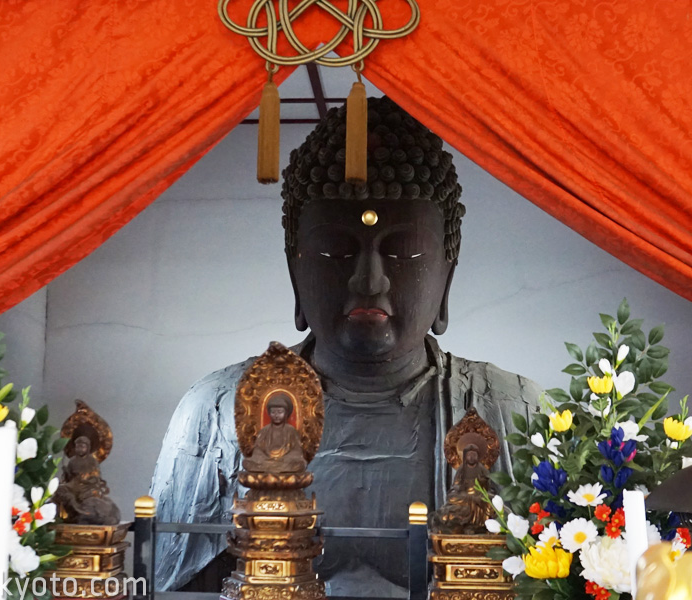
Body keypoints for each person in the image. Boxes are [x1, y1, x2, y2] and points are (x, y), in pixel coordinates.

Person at [150, 96, 542, 596]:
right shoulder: (217, 409)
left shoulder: (513, 412)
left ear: (448, 271)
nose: (369, 281)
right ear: (296, 268)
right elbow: (167, 586)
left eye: (404, 252)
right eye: (335, 251)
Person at [430, 443, 494, 534]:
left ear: (478, 456)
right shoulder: (462, 468)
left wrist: (483, 481)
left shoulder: (481, 468)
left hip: (478, 492)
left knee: (488, 500)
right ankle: (462, 523)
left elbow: (488, 482)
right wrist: (460, 487)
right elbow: (456, 483)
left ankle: (479, 525)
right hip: (464, 493)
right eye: (469, 455)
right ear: (465, 456)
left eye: (474, 455)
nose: (471, 457)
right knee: (453, 498)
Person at [242, 392, 306, 473]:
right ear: (269, 413)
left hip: (284, 461)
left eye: (280, 412)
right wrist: (264, 458)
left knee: (300, 464)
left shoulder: (291, 430)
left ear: (286, 413)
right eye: (273, 412)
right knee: (246, 463)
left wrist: (284, 458)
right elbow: (258, 450)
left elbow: (297, 451)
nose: (276, 415)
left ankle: (274, 468)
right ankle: (275, 468)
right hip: (266, 461)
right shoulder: (264, 430)